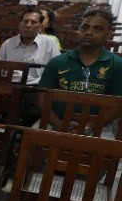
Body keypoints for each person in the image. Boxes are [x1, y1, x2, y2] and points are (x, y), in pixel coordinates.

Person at [37, 8, 122, 137]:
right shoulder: (57, 62)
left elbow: (118, 105)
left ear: (108, 34)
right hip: (56, 121)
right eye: (85, 28)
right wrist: (58, 125)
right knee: (30, 141)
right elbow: (42, 98)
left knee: (106, 151)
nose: (89, 32)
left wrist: (89, 127)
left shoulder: (117, 64)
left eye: (97, 29)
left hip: (99, 126)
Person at [0, 10, 59, 85]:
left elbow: (57, 69)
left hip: (37, 88)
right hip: (9, 86)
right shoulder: (8, 44)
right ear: (20, 25)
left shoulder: (49, 44)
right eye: (25, 21)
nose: (28, 25)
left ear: (40, 27)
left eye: (33, 22)